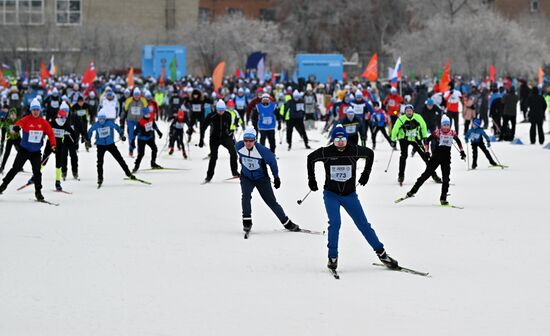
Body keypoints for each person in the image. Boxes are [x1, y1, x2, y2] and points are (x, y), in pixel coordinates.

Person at [307, 125, 398, 271]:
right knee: (335, 223)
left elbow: (370, 154)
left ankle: (382, 254)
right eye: (337, 139)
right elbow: (310, 158)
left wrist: (366, 173)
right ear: (333, 140)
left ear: (347, 139)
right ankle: (332, 257)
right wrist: (311, 179)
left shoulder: (354, 150)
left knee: (363, 224)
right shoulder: (326, 152)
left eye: (343, 138)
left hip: (350, 195)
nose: (341, 141)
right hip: (331, 195)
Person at [236, 126, 300, 234]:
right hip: (246, 178)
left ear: (255, 140)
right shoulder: (238, 146)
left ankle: (287, 223)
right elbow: (240, 157)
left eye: (250, 140)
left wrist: (276, 177)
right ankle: (247, 221)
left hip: (261, 179)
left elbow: (272, 163)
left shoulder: (262, 151)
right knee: (245, 196)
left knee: (271, 202)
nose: (248, 143)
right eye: (246, 140)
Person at [0, 99, 56, 201]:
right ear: (31, 110)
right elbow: (19, 123)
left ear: (40, 111)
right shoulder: (26, 119)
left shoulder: (43, 123)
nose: (35, 112)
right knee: (15, 168)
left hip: (35, 152)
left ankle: (38, 192)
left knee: (37, 172)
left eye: (37, 110)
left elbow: (51, 134)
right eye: (34, 109)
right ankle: (3, 185)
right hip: (24, 150)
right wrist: (17, 127)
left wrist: (53, 145)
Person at [405, 115, 466, 205]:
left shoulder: (452, 133)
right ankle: (412, 191)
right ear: (441, 125)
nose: (446, 127)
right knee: (426, 175)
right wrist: (426, 151)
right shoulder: (438, 132)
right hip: (436, 157)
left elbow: (458, 142)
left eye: (447, 125)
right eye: (444, 125)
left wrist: (462, 152)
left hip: (446, 158)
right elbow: (427, 141)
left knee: (446, 179)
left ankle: (443, 198)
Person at [391, 104, 441, 185]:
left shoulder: (418, 117)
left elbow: (423, 126)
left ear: (413, 111)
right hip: (404, 139)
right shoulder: (401, 119)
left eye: (410, 111)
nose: (409, 112)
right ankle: (401, 175)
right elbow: (395, 129)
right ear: (405, 112)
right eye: (407, 111)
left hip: (415, 139)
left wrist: (424, 136)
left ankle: (434, 175)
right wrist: (393, 139)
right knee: (404, 156)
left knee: (425, 156)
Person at [87, 110, 136, 187]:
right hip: (100, 146)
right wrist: (88, 140)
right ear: (98, 119)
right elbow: (90, 131)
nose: (102, 121)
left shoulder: (109, 123)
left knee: (120, 159)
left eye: (103, 119)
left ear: (105, 119)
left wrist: (121, 134)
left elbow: (117, 127)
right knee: (99, 163)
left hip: (110, 144)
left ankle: (128, 173)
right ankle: (100, 178)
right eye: (100, 119)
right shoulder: (96, 125)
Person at [199, 100, 239, 183]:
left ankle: (234, 172)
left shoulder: (228, 115)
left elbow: (230, 126)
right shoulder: (211, 116)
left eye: (223, 110)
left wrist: (231, 134)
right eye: (219, 110)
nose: (221, 112)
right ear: (216, 109)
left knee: (233, 152)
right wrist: (201, 140)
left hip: (225, 137)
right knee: (214, 157)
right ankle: (209, 176)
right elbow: (203, 127)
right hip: (214, 139)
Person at [41, 102, 77, 191]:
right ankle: (35, 176)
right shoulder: (52, 123)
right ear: (58, 116)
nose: (64, 119)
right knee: (44, 161)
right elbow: (44, 130)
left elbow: (73, 134)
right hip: (50, 145)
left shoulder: (66, 125)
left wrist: (72, 138)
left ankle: (57, 182)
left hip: (60, 146)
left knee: (58, 164)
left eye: (65, 117)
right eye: (62, 117)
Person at [132, 107, 163, 172]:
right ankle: (136, 166)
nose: (148, 115)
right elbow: (135, 132)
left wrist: (158, 132)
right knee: (141, 154)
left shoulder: (151, 118)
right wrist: (132, 141)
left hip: (149, 138)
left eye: (148, 113)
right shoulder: (140, 121)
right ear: (143, 115)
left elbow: (154, 125)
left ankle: (153, 163)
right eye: (146, 114)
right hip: (141, 139)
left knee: (154, 149)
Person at [123, 88, 147, 157]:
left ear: (140, 95)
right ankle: (131, 149)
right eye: (135, 95)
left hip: (140, 121)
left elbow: (146, 110)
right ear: (133, 95)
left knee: (140, 136)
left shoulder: (143, 100)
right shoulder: (129, 100)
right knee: (131, 135)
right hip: (130, 120)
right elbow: (125, 109)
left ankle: (139, 151)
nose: (136, 96)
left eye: (138, 95)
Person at [0, 109, 20, 174]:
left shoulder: (18, 121)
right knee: (7, 153)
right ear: (9, 115)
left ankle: (19, 166)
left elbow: (21, 126)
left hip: (17, 138)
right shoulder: (7, 121)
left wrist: (17, 129)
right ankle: (2, 167)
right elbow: (3, 126)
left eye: (14, 115)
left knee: (21, 152)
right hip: (10, 139)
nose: (13, 116)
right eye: (12, 114)